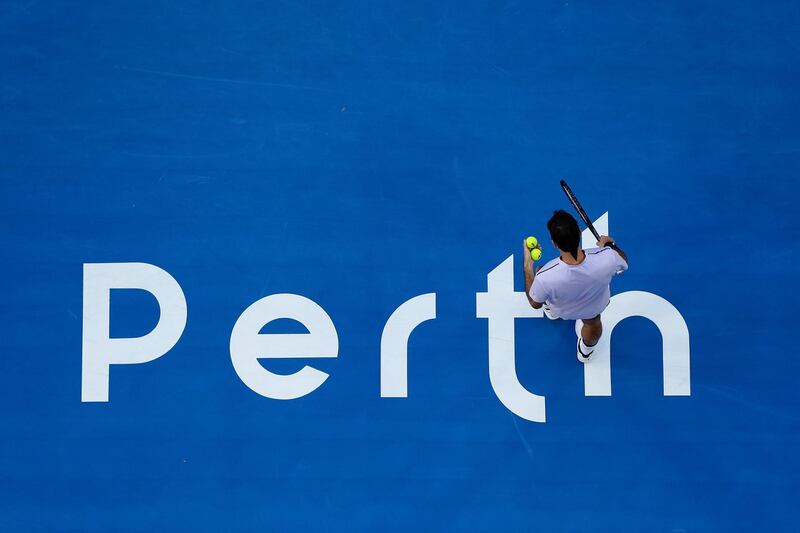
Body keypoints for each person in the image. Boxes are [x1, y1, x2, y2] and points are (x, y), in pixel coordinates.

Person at [523, 210, 628, 362]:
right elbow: (623, 262)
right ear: (579, 233)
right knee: (593, 324)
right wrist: (610, 245)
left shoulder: (545, 276)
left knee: (539, 273)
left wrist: (527, 266)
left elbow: (534, 303)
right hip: (593, 309)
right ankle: (585, 352)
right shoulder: (608, 257)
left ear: (554, 243)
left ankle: (552, 312)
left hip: (563, 310)